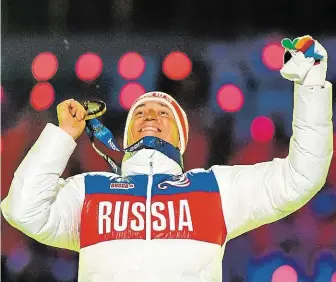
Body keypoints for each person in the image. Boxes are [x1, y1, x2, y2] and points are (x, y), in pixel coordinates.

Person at [1, 36, 333, 282]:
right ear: (127, 135)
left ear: (181, 137)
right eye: (140, 112)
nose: (150, 116)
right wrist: (61, 136)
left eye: (164, 113)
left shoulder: (215, 188)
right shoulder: (90, 191)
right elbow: (22, 209)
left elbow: (302, 176)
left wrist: (312, 84)